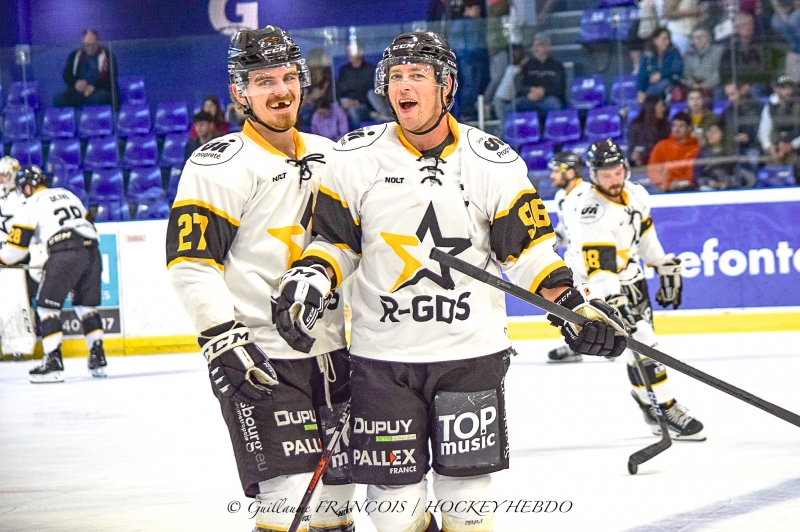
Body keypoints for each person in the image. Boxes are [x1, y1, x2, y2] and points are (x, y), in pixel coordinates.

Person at [275, 31, 627, 532]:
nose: (403, 86)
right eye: (396, 76)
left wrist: (573, 305)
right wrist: (313, 274)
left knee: (466, 498)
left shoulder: (492, 161)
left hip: (469, 355)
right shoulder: (354, 157)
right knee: (392, 507)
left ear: (446, 86)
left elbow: (527, 253)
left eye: (417, 75)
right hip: (383, 359)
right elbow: (336, 243)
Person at [165, 26, 354, 532]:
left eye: (289, 77)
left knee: (337, 501)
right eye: (264, 80)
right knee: (286, 499)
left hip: (334, 356)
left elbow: (356, 245)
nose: (280, 90)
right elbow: (191, 263)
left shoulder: (331, 155)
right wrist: (222, 336)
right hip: (260, 359)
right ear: (238, 91)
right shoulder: (217, 165)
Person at [568, 138, 706, 441]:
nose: (614, 180)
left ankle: (648, 405)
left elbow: (644, 238)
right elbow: (601, 268)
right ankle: (667, 408)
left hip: (633, 280)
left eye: (617, 172)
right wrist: (613, 300)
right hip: (600, 286)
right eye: (606, 175)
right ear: (593, 175)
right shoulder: (591, 211)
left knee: (640, 351)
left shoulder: (636, 194)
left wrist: (661, 262)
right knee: (644, 340)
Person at [0, 165, 107, 383]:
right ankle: (98, 357)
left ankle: (53, 362)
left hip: (65, 251)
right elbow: (92, 227)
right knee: (85, 306)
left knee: (46, 306)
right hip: (92, 251)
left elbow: (15, 250)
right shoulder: (68, 194)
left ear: (29, 186)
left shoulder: (31, 203)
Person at [546, 151, 592, 364]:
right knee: (574, 303)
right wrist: (552, 242)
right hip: (575, 261)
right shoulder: (561, 197)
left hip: (595, 260)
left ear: (571, 172)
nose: (552, 176)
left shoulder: (590, 193)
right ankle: (578, 344)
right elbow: (566, 229)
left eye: (556, 171)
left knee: (605, 299)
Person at [0, 156, 36, 362]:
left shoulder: (23, 198)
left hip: (14, 253)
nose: (2, 179)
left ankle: (19, 345)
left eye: (6, 175)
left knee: (17, 300)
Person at [720, 12, 785, 97]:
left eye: (750, 24)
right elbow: (724, 70)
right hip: (737, 83)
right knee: (720, 93)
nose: (749, 27)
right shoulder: (730, 48)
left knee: (755, 89)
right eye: (744, 25)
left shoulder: (762, 44)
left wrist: (748, 85)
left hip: (758, 82)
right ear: (737, 28)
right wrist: (731, 83)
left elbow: (766, 69)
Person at [507, 34, 565, 121]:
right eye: (534, 46)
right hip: (529, 97)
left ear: (547, 47)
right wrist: (530, 91)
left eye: (538, 45)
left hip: (548, 98)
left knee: (555, 105)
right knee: (510, 108)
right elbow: (519, 87)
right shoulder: (527, 65)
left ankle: (554, 132)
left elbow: (560, 88)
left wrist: (543, 91)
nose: (535, 49)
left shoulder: (557, 66)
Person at [53, 29, 118, 108]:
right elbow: (67, 74)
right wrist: (75, 83)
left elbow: (111, 77)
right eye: (87, 45)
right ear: (83, 43)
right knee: (59, 100)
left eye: (93, 45)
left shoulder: (108, 55)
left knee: (98, 98)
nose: (90, 48)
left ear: (98, 42)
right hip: (79, 90)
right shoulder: (74, 55)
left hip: (100, 89)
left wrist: (94, 86)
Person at [647, 112, 701, 191]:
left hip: (689, 189)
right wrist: (667, 184)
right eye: (674, 125)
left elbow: (695, 173)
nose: (676, 129)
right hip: (664, 189)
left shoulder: (697, 148)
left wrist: (683, 183)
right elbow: (653, 170)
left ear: (689, 128)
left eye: (681, 126)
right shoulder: (661, 146)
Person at [694, 123, 756, 190]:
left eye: (714, 132)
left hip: (733, 189)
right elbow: (697, 176)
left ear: (723, 134)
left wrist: (728, 183)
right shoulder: (702, 154)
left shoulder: (734, 152)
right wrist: (709, 182)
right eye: (709, 131)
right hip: (710, 190)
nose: (710, 134)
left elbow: (746, 176)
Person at [336, 39, 376, 129]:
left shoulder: (370, 70)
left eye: (351, 51)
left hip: (365, 105)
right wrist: (344, 101)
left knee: (353, 112)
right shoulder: (344, 70)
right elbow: (338, 92)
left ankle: (357, 138)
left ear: (361, 52)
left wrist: (357, 101)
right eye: (347, 51)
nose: (348, 54)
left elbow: (373, 91)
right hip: (345, 105)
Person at [758, 75, 800, 159]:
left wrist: (792, 145)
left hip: (796, 149)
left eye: (790, 88)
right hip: (775, 148)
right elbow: (763, 132)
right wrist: (769, 147)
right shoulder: (769, 108)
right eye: (784, 88)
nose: (788, 91)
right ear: (777, 89)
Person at [637, 27, 684, 103]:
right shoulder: (647, 55)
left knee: (665, 83)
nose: (667, 42)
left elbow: (677, 69)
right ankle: (646, 97)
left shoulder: (674, 52)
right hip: (651, 86)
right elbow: (642, 75)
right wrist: (640, 91)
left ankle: (647, 97)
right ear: (655, 40)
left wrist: (661, 75)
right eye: (664, 39)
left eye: (668, 39)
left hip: (670, 84)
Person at [720, 82, 765, 155]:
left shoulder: (758, 108)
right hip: (733, 149)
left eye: (732, 94)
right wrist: (733, 138)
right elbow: (722, 130)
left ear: (741, 91)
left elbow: (763, 131)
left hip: (754, 147)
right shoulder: (728, 112)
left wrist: (749, 138)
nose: (730, 99)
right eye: (728, 95)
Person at [628, 95, 671, 167]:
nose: (664, 109)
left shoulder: (666, 125)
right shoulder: (637, 127)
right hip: (643, 165)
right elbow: (631, 151)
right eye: (661, 106)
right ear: (652, 108)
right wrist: (634, 156)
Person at [681, 27, 723, 95]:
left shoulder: (718, 51)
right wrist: (693, 84)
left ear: (708, 37)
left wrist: (707, 84)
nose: (698, 39)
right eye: (695, 37)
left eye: (701, 36)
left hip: (714, 85)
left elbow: (719, 72)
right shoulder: (688, 54)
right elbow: (686, 74)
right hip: (694, 86)